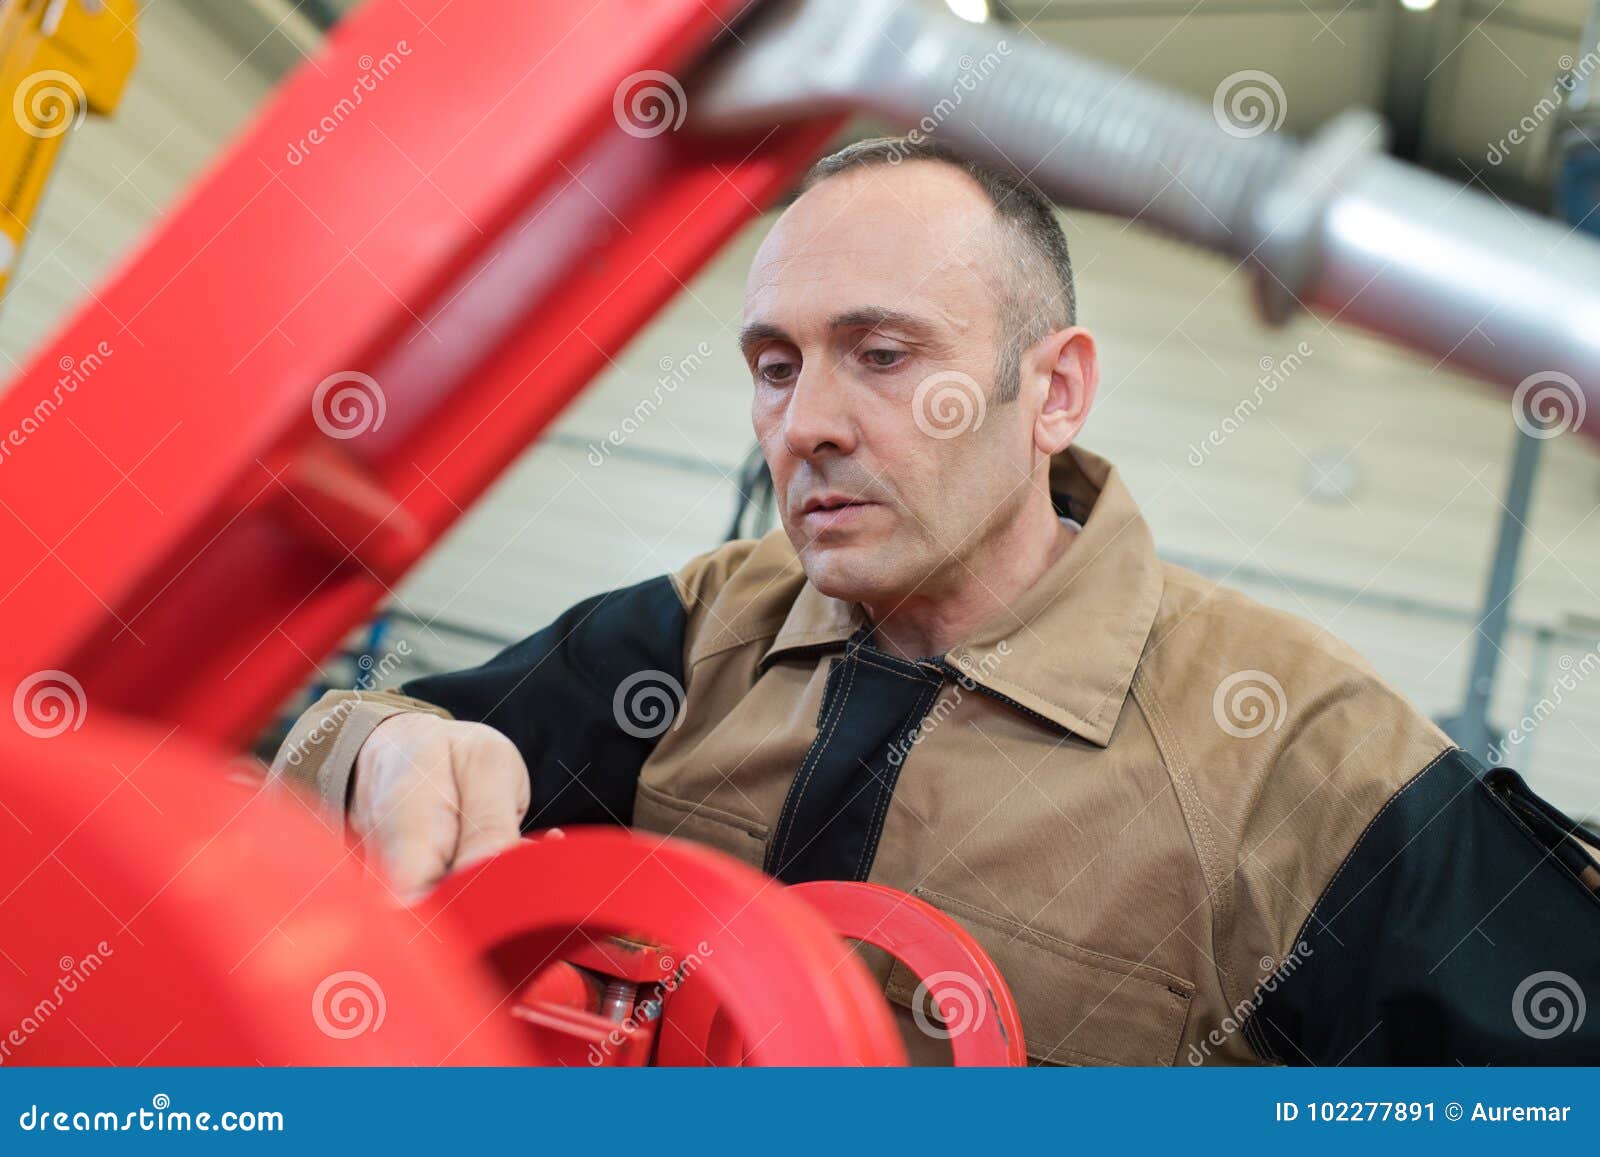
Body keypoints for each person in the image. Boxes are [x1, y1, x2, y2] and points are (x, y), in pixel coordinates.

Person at [273, 137, 1600, 1065]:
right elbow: (351, 751)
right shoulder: (704, 627)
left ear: (1057, 391)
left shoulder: (1300, 752)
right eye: (775, 365)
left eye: (884, 354)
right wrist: (376, 743)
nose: (807, 425)